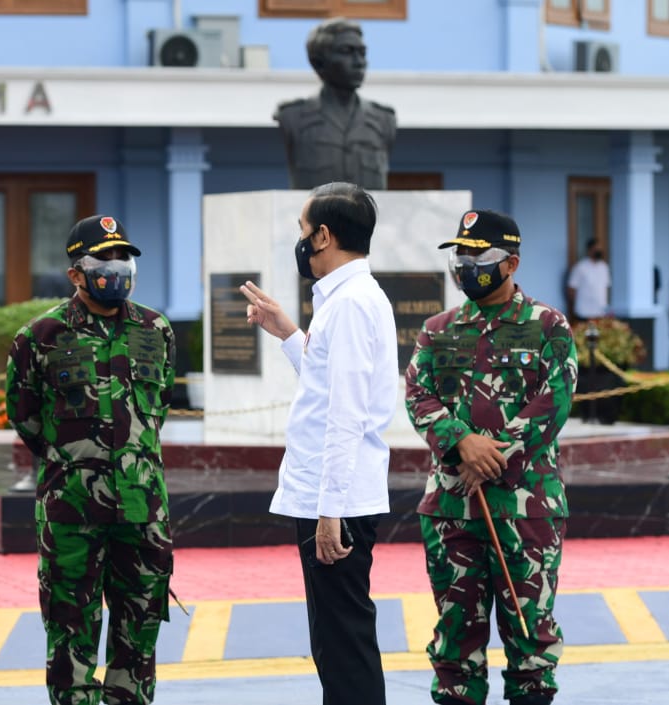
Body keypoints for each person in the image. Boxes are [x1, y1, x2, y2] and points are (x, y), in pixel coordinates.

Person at [405, 210, 578, 705]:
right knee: (454, 648)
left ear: (512, 263)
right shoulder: (438, 330)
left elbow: (555, 401)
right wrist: (461, 441)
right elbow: (418, 393)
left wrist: (493, 456)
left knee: (532, 648)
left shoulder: (547, 326)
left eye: (479, 257)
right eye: (460, 255)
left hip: (526, 510)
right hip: (452, 512)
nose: (466, 265)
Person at [5, 214, 176, 705]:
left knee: (139, 630)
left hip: (144, 511)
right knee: (69, 632)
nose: (117, 268)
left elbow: (156, 407)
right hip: (72, 512)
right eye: (105, 259)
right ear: (77, 272)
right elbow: (25, 415)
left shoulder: (155, 328)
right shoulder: (40, 336)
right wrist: (76, 460)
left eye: (123, 258)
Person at [239, 182, 397, 705]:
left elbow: (346, 413)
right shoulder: (344, 300)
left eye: (304, 233)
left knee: (343, 645)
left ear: (324, 235)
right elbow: (329, 383)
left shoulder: (351, 303)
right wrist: (288, 333)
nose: (302, 243)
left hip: (339, 501)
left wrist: (329, 510)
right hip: (336, 496)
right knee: (334, 643)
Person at [274, 18, 397, 191]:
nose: (359, 62)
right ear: (318, 62)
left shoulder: (384, 119)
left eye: (362, 53)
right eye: (347, 51)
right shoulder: (294, 117)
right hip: (318, 217)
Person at [566, 238, 611, 323]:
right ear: (589, 250)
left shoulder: (604, 267)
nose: (599, 251)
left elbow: (606, 287)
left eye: (600, 249)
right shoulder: (580, 267)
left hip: (600, 311)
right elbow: (571, 289)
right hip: (583, 312)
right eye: (596, 249)